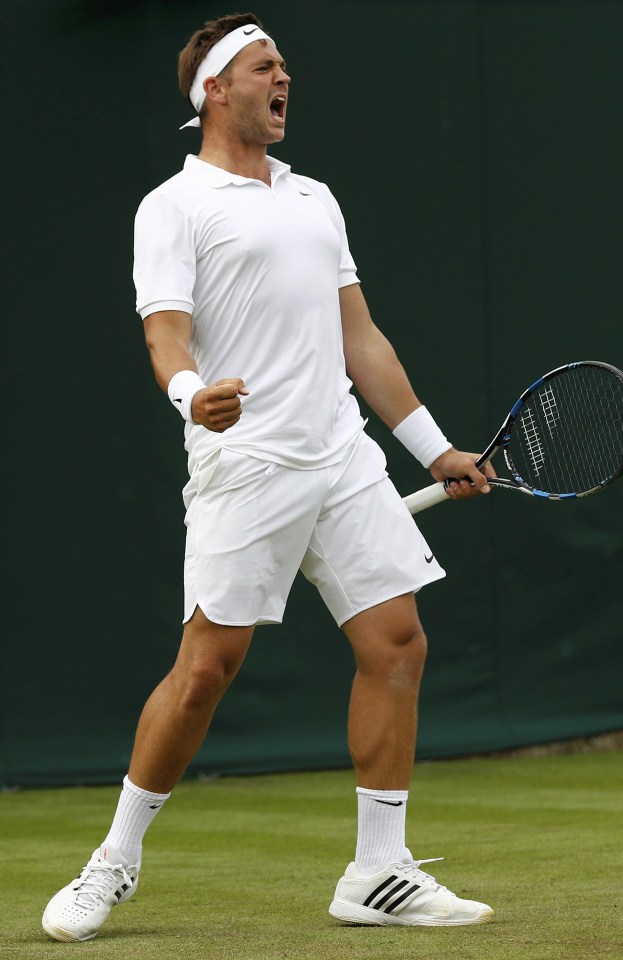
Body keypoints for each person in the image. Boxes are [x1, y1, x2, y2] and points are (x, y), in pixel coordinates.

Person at [42, 12, 496, 942]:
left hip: (339, 453)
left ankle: (378, 873)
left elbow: (358, 337)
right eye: (263, 66)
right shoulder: (173, 206)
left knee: (397, 641)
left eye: (284, 66)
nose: (282, 78)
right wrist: (190, 396)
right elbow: (164, 334)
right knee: (207, 667)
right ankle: (113, 861)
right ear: (215, 88)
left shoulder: (314, 199)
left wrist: (433, 448)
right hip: (244, 462)